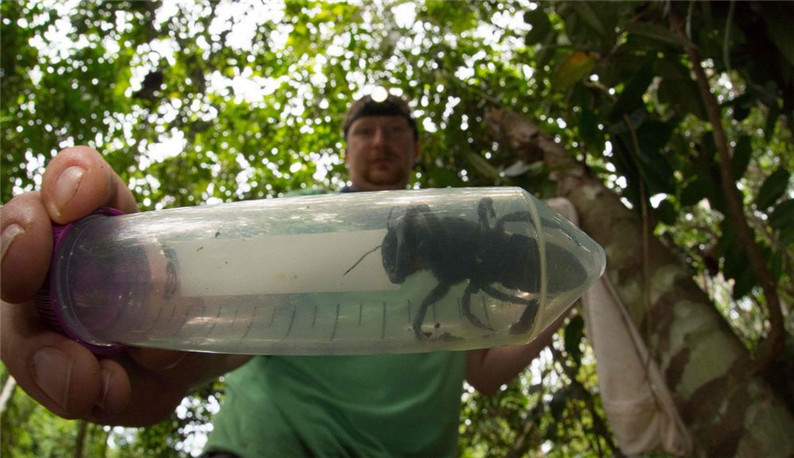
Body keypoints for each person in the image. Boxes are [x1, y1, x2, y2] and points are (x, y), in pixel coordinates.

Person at [1, 92, 563, 457]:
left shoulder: (459, 218)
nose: (379, 142)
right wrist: (160, 341)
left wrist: (565, 291)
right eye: (364, 131)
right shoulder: (304, 215)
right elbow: (229, 314)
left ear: (415, 148)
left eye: (394, 131)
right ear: (346, 150)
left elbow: (484, 370)